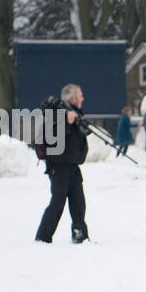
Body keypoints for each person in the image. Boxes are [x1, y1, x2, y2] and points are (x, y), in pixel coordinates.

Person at [35, 84, 91, 243]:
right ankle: (42, 237)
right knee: (57, 203)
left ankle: (80, 235)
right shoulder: (56, 115)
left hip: (73, 167)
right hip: (59, 168)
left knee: (78, 203)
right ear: (73, 98)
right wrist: (65, 121)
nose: (83, 98)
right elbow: (52, 138)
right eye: (80, 95)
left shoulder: (76, 115)